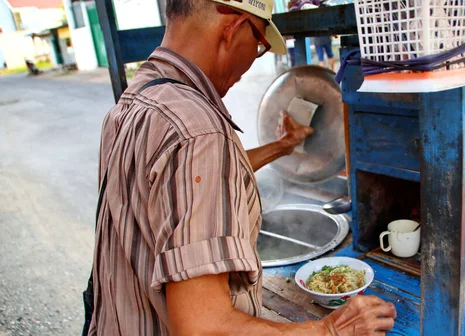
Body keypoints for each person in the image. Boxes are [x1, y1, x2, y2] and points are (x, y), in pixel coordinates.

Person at [86, 0, 396, 335]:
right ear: (233, 28)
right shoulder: (198, 131)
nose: (253, 60)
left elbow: (179, 181)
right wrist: (332, 331)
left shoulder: (138, 100)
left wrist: (282, 146)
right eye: (261, 45)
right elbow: (204, 327)